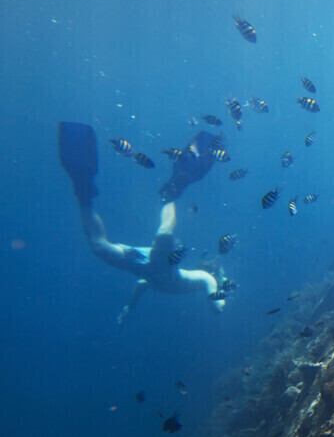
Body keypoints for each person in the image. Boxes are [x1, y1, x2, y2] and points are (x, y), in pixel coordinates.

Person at [57, 121, 225, 323]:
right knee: (163, 232)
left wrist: (129, 307)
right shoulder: (201, 278)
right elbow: (214, 300)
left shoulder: (180, 280)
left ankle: (83, 192)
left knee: (98, 246)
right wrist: (219, 302)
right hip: (161, 264)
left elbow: (140, 286)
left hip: (144, 266)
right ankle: (173, 189)